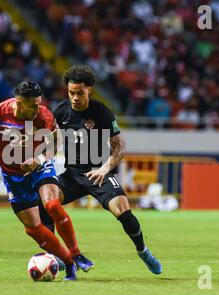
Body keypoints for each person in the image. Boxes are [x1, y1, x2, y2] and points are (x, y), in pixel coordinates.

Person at [38, 65, 162, 274]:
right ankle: (54, 255)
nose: (75, 97)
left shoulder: (101, 112)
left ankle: (143, 251)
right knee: (46, 201)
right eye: (71, 93)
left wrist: (104, 169)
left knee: (123, 210)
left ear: (89, 90)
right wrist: (44, 158)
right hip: (73, 175)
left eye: (79, 93)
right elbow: (54, 142)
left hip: (99, 174)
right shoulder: (61, 111)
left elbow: (119, 146)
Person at [0, 80, 93, 281]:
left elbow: (56, 141)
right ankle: (68, 263)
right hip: (13, 176)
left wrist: (40, 159)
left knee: (52, 204)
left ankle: (77, 253)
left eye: (39, 103)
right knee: (33, 229)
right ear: (18, 102)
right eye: (33, 105)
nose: (38, 108)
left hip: (40, 167)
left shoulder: (44, 115)